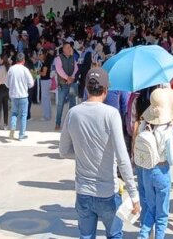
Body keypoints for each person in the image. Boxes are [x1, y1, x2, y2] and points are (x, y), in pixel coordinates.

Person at [59, 68, 140, 239]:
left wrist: (83, 152)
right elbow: (123, 159)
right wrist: (134, 194)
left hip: (83, 191)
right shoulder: (111, 114)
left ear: (87, 89)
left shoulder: (73, 113)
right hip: (107, 193)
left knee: (86, 236)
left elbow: (63, 151)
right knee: (115, 235)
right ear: (105, 90)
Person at [137, 87, 173, 239]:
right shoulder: (168, 132)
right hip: (162, 170)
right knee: (162, 214)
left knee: (150, 208)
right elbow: (172, 159)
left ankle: (143, 235)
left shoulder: (144, 125)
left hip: (147, 170)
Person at [6, 52, 34, 140]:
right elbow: (31, 83)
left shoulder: (11, 69)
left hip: (13, 95)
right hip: (23, 95)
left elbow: (7, 83)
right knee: (23, 115)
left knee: (14, 113)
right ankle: (21, 135)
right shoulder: (25, 70)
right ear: (23, 60)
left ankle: (13, 127)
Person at [54, 42, 78, 131]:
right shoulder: (58, 58)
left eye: (70, 48)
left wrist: (72, 77)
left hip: (72, 84)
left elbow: (76, 68)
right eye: (67, 47)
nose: (69, 49)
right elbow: (59, 70)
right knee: (60, 104)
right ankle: (57, 123)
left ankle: (71, 123)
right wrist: (67, 78)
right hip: (62, 85)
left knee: (73, 104)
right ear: (63, 49)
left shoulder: (73, 58)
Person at [0, 54, 10, 131]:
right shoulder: (9, 68)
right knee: (6, 107)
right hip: (7, 88)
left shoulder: (0, 68)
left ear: (2, 60)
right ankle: (6, 125)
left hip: (0, 88)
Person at [39, 46, 54, 121]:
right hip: (47, 81)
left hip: (45, 81)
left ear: (44, 54)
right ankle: (48, 115)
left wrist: (38, 72)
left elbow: (44, 73)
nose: (40, 56)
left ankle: (46, 116)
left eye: (41, 54)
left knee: (45, 99)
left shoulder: (46, 63)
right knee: (47, 98)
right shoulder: (46, 62)